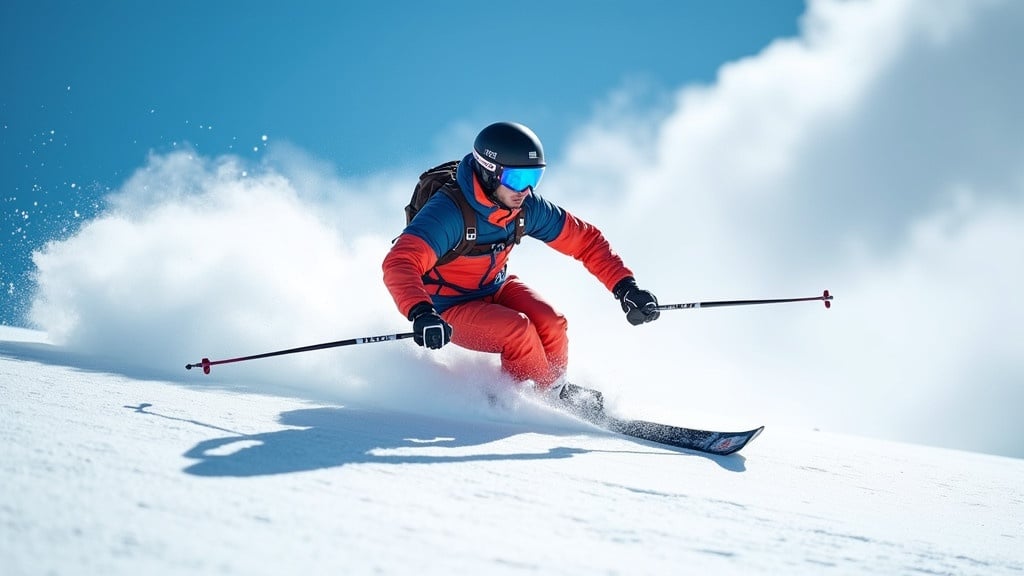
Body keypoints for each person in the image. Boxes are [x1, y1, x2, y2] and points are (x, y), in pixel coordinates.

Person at [382, 121, 659, 409]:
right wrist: (421, 312)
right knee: (518, 330)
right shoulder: (449, 212)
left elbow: (586, 241)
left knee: (552, 322)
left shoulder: (526, 208)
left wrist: (625, 287)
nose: (525, 190)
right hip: (447, 306)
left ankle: (549, 391)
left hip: (495, 287)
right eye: (516, 178)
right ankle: (532, 403)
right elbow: (400, 261)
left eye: (534, 178)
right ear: (489, 172)